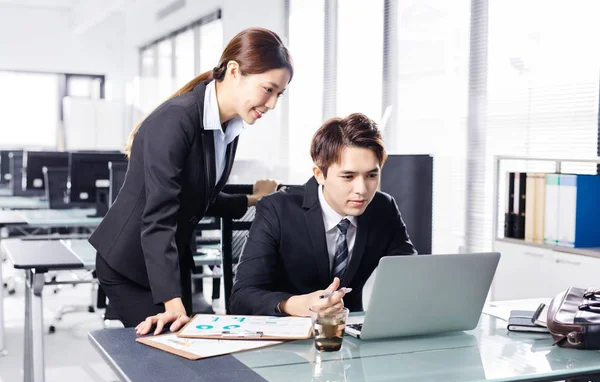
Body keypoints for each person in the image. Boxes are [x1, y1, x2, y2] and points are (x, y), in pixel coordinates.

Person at [89, 27, 293, 335]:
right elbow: (159, 218)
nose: (273, 104)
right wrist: (173, 303)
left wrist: (253, 198)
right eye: (268, 89)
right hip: (130, 262)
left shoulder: (227, 127)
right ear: (235, 72)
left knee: (181, 355)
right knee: (170, 352)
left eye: (279, 94)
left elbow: (198, 195)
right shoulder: (176, 121)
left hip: (169, 257)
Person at [229, 113, 417, 317]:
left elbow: (409, 276)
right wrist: (297, 305)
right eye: (348, 176)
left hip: (350, 335)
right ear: (320, 174)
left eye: (372, 175)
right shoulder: (277, 209)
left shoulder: (383, 207)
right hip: (290, 334)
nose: (362, 189)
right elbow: (242, 297)